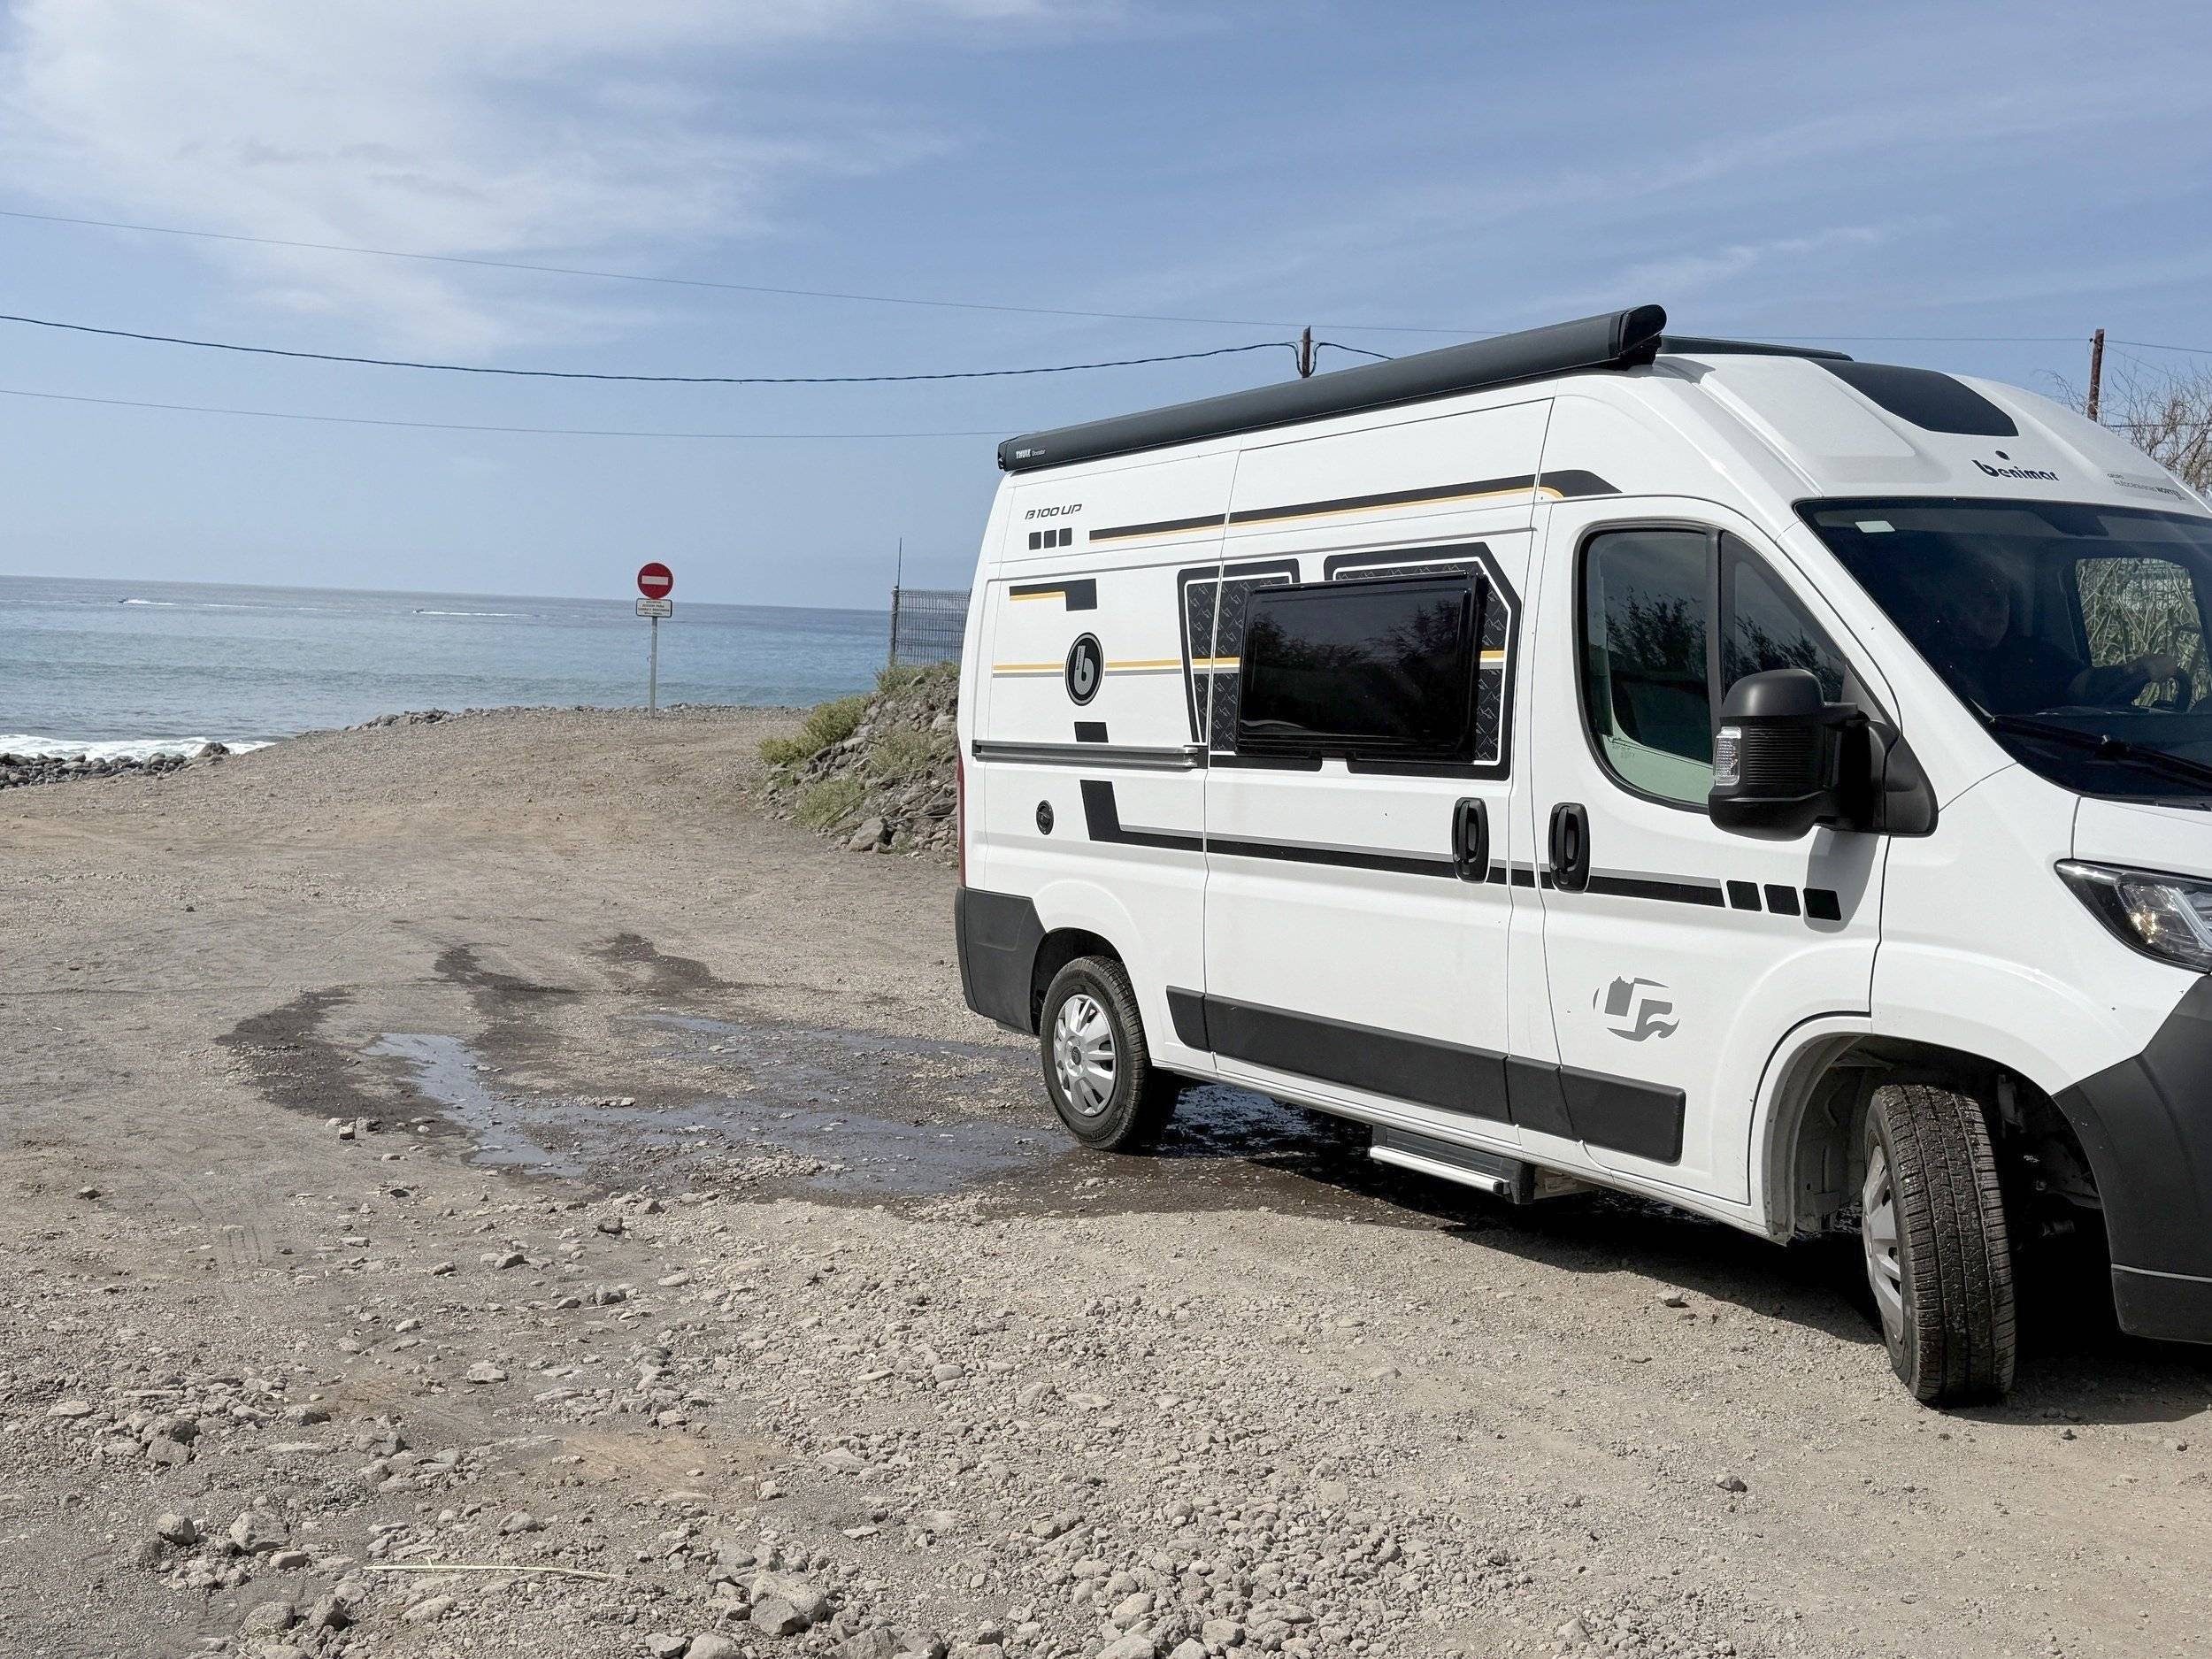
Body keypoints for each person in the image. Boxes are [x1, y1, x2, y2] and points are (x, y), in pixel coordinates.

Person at [1936, 560, 2181, 715]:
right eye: (1986, 595)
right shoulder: (1925, 659)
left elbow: (2087, 687)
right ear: (1953, 605)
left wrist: (2135, 671)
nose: (1999, 604)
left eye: (2004, 594)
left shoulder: (2034, 655)